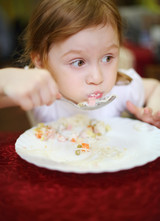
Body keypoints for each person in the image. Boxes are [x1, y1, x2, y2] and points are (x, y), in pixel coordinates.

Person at [2, 0, 160, 128]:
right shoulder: (40, 89)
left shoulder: (119, 88)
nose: (97, 78)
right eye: (79, 62)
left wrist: (153, 111)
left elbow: (155, 87)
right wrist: (6, 79)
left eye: (107, 58)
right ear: (40, 62)